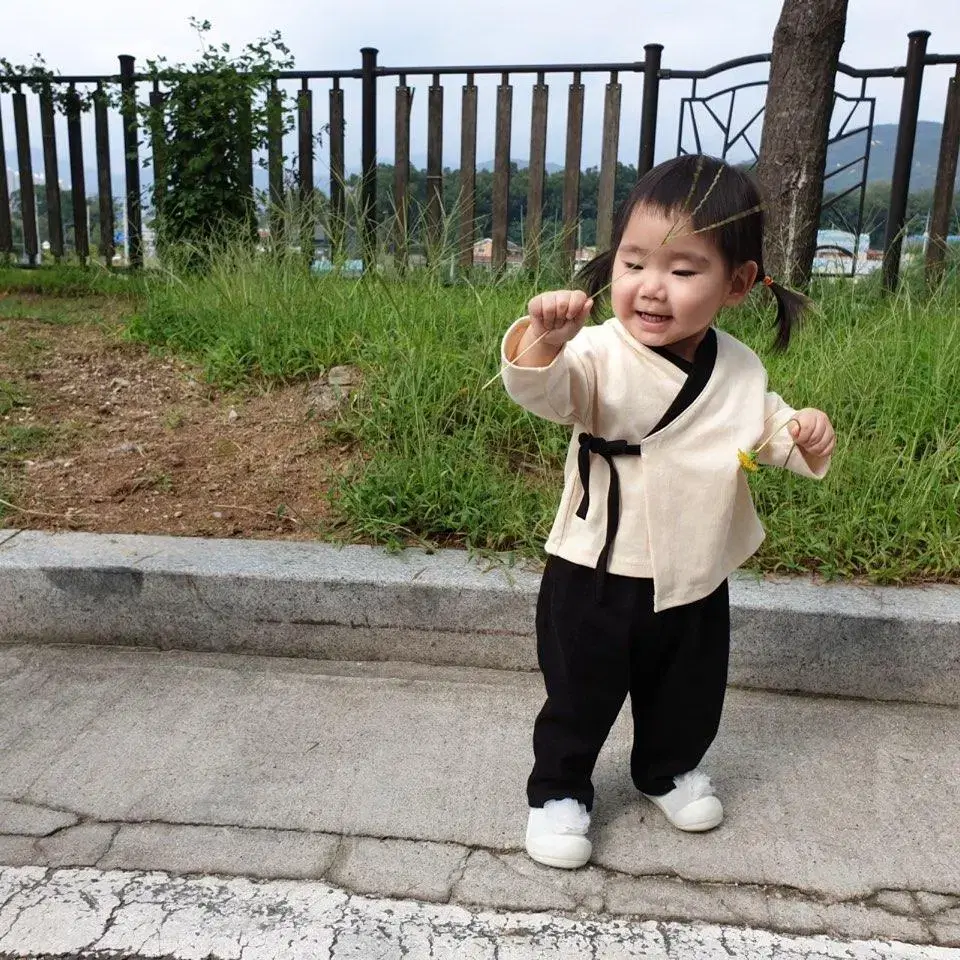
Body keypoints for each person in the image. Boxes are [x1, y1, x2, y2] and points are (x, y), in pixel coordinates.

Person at [499, 154, 836, 870]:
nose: (652, 289)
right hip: (597, 561)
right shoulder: (595, 353)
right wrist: (543, 341)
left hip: (694, 564)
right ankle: (559, 790)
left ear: (738, 284)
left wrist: (800, 429)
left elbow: (761, 423)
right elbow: (546, 388)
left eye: (684, 272)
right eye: (634, 263)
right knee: (580, 690)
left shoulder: (740, 366)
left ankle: (667, 769)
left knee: (687, 686)